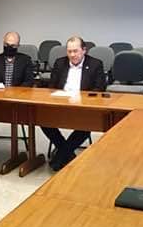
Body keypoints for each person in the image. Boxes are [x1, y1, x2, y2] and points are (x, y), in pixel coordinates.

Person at [41, 36, 107, 170]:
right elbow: (52, 87)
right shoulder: (60, 63)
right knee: (43, 120)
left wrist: (81, 98)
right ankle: (67, 153)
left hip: (84, 106)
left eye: (75, 51)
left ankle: (61, 155)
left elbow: (99, 88)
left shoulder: (95, 64)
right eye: (69, 51)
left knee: (87, 124)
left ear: (84, 50)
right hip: (61, 103)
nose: (72, 55)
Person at [0, 31, 35, 167]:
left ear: (18, 46)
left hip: (18, 101)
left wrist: (15, 92)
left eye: (13, 45)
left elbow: (29, 82)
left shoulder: (25, 60)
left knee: (31, 115)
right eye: (6, 44)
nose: (9, 48)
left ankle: (31, 155)